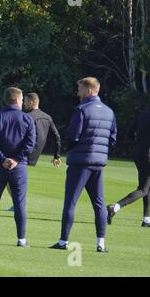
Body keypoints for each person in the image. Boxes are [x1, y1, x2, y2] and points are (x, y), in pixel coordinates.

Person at [49, 77, 117, 253]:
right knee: (99, 204)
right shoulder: (109, 112)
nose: (77, 92)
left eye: (79, 89)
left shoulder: (82, 109)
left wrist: (70, 151)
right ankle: (100, 243)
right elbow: (113, 139)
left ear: (89, 90)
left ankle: (63, 241)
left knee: (70, 202)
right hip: (99, 163)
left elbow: (73, 136)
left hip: (80, 162)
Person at [0, 92, 61, 210]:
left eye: (26, 101)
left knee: (3, 163)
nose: (24, 103)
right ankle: (16, 204)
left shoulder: (26, 117)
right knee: (4, 165)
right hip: (35, 152)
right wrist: (57, 155)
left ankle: (17, 205)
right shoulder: (47, 117)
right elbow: (56, 136)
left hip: (24, 151)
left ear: (32, 102)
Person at [0, 87, 36, 247]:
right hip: (19, 168)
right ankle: (21, 239)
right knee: (19, 203)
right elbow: (30, 144)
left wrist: (3, 158)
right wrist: (16, 159)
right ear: (17, 100)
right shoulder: (27, 119)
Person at [106, 109, 150, 227]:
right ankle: (115, 207)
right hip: (149, 156)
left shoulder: (142, 113)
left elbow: (129, 134)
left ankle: (146, 218)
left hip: (138, 154)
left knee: (147, 187)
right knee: (143, 189)